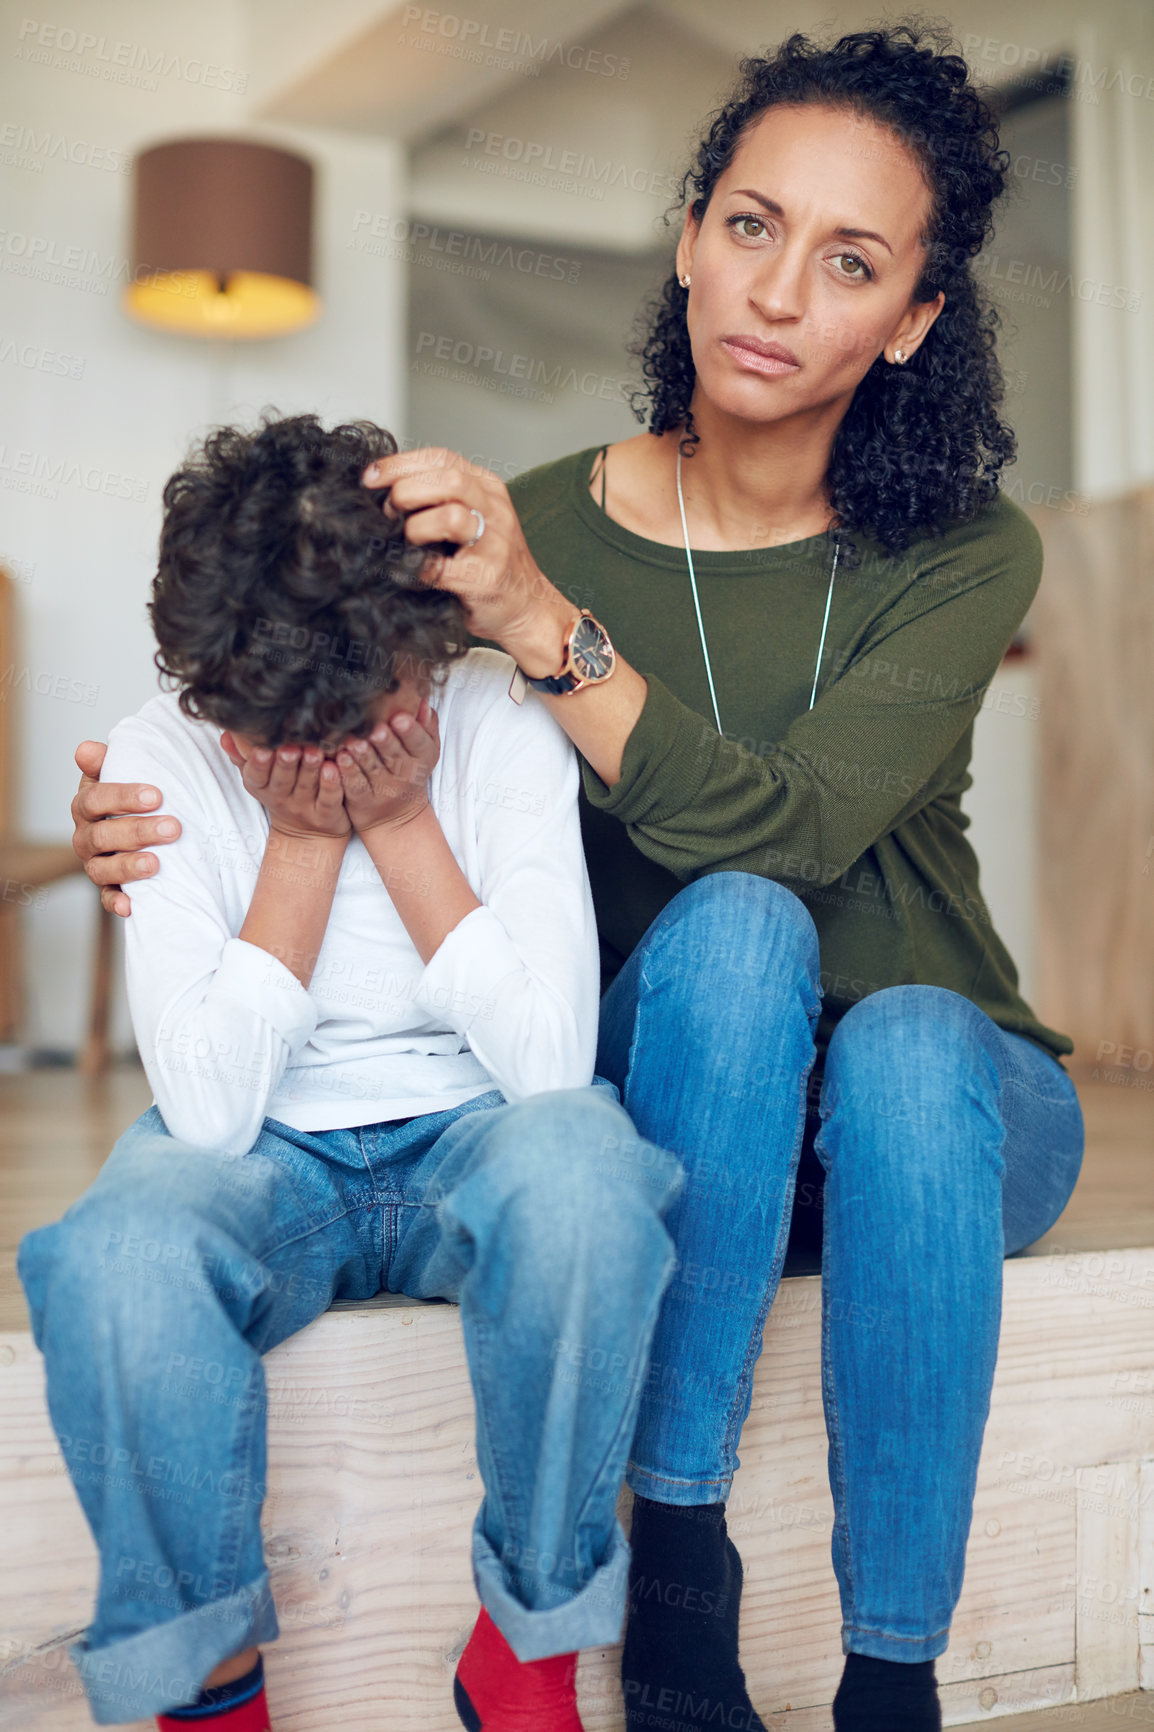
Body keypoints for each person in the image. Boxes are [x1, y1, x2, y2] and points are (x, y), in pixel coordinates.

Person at [68, 22, 1085, 1732]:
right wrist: (159, 798)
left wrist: (542, 624)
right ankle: (676, 1563)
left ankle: (887, 1680)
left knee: (896, 1029)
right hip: (689, 1091)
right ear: (690, 235)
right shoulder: (533, 513)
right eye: (749, 226)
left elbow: (799, 827)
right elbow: (305, 670)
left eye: (848, 263)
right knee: (729, 946)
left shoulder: (962, 549)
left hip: (933, 1117)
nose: (773, 294)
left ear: (910, 317)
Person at [24, 412, 686, 1731]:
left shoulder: (497, 715)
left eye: (368, 709)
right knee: (112, 1258)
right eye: (287, 734)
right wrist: (304, 841)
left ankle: (529, 1648)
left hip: (477, 1127)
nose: (329, 750)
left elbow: (549, 1062)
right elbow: (209, 1116)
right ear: (216, 693)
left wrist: (397, 821)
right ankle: (208, 1689)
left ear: (421, 644)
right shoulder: (165, 753)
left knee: (590, 1185)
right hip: (269, 1149)